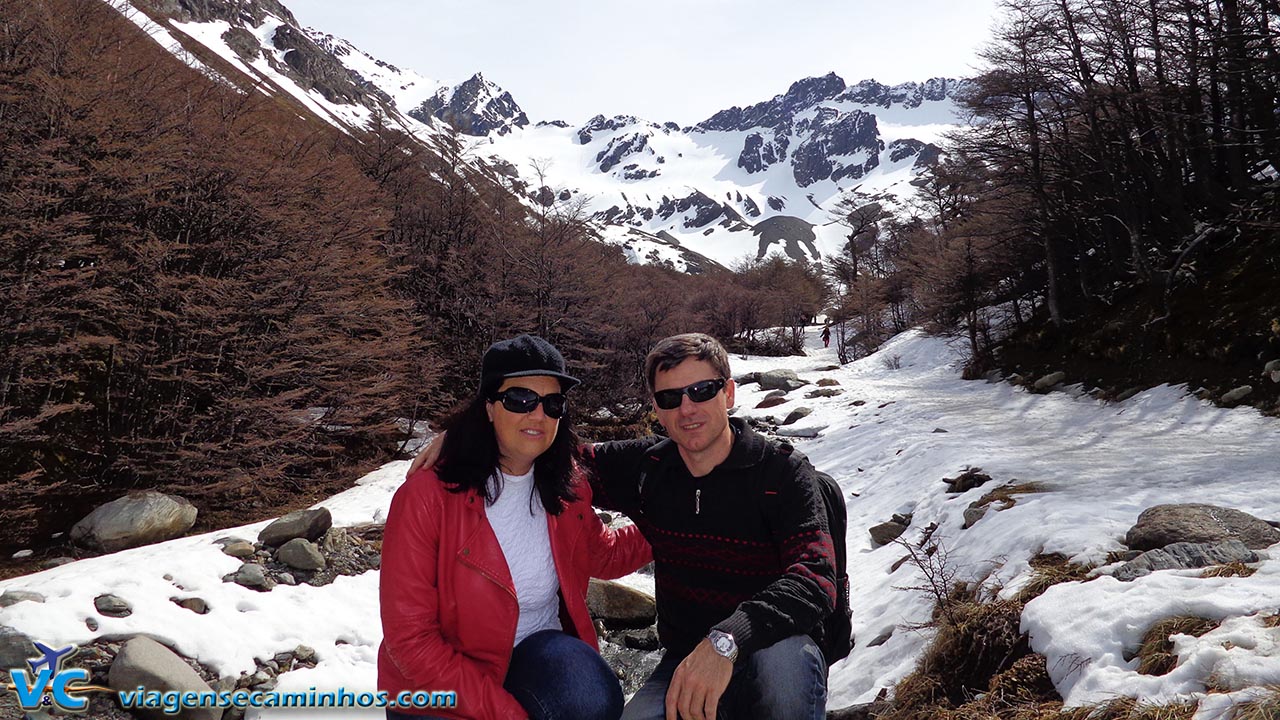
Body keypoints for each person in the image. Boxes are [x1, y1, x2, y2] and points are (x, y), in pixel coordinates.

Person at [408, 333, 836, 720]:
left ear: (728, 393)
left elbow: (815, 579)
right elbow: (544, 444)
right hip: (684, 659)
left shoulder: (782, 473)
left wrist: (727, 639)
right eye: (670, 398)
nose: (686, 408)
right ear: (656, 410)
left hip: (773, 645)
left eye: (702, 391)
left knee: (784, 684)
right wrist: (472, 435)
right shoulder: (646, 468)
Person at [380, 334, 652, 720]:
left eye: (552, 403)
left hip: (533, 655)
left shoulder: (566, 486)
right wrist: (506, 713)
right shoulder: (426, 497)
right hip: (437, 682)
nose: (537, 414)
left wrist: (671, 525)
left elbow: (602, 553)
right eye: (520, 399)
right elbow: (410, 643)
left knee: (589, 693)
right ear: (489, 407)